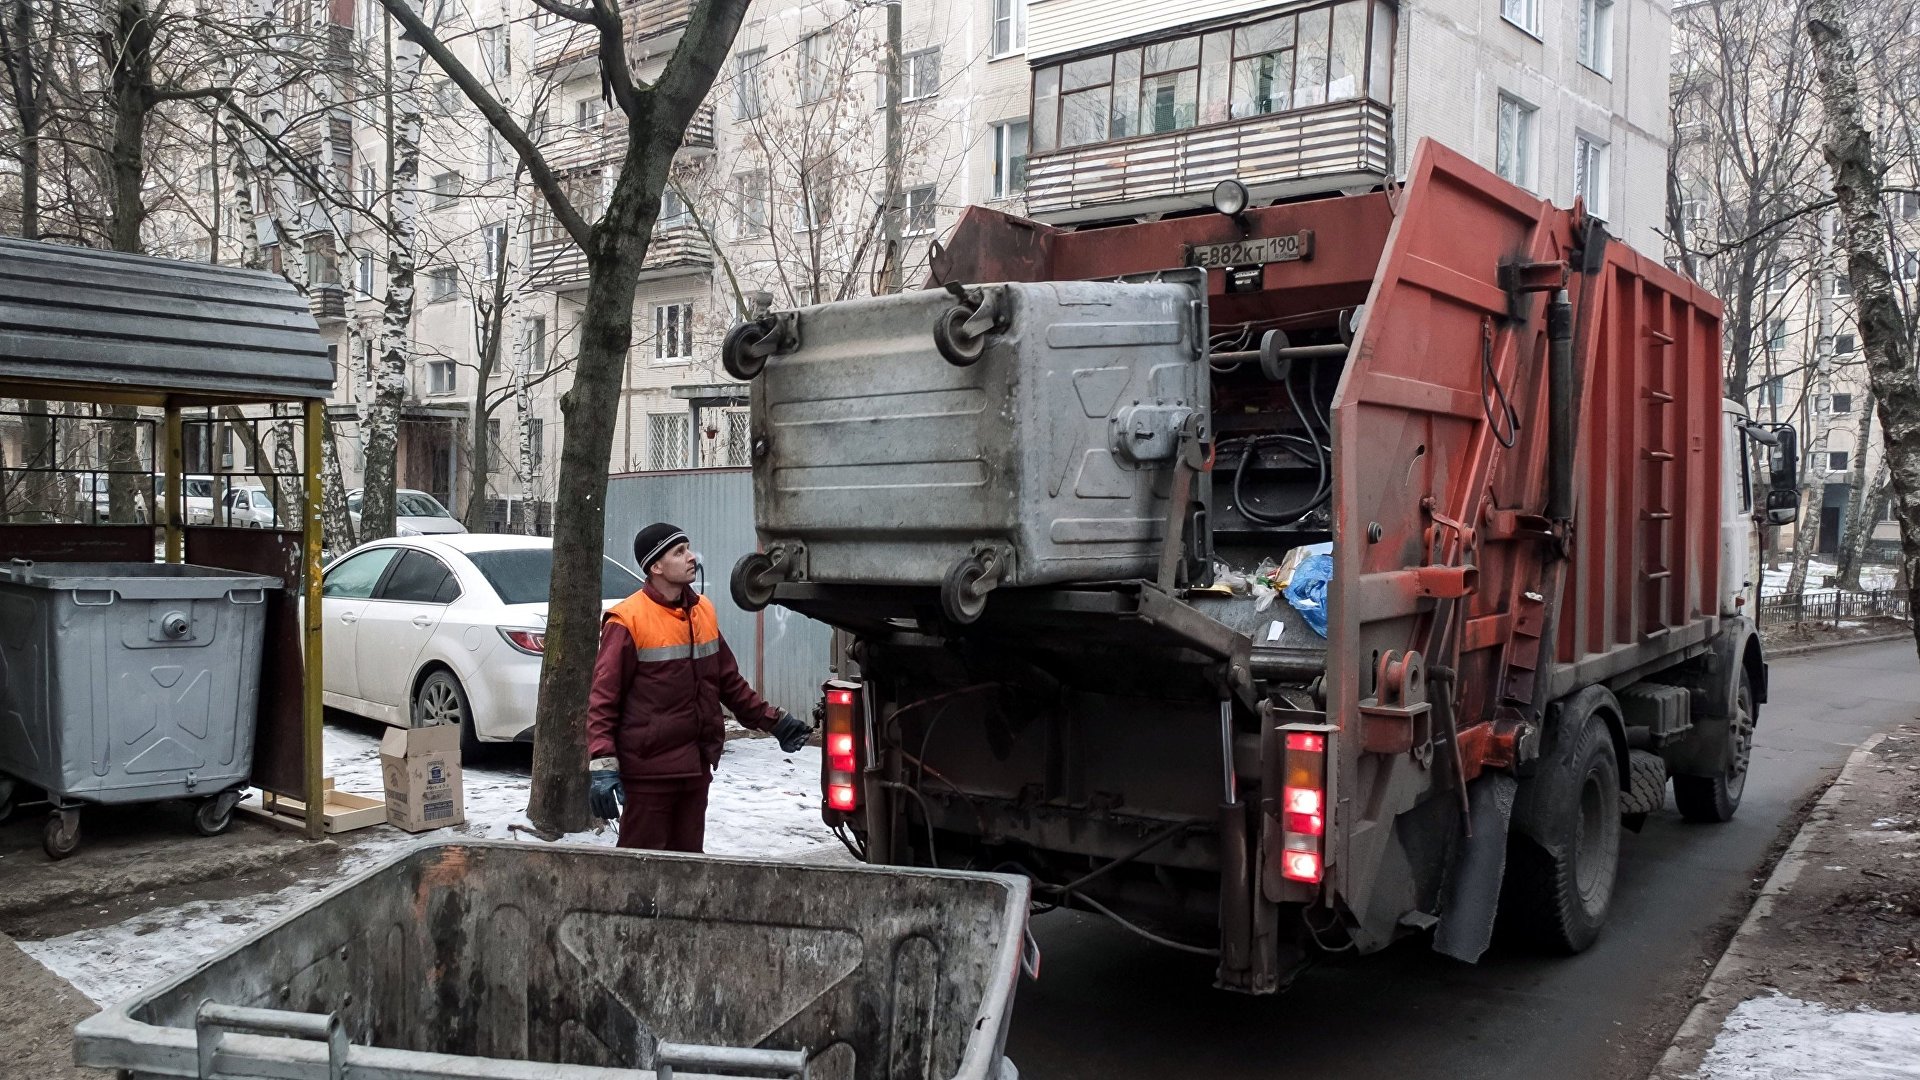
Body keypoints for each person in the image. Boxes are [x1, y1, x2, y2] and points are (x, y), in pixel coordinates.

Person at [586, 522, 811, 851]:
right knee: (640, 869)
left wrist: (774, 721)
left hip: (694, 768)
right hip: (649, 773)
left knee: (688, 868)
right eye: (679, 552)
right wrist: (603, 766)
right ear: (656, 566)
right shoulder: (628, 620)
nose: (691, 557)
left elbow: (728, 681)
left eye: (689, 548)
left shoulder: (701, 610)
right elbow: (603, 700)